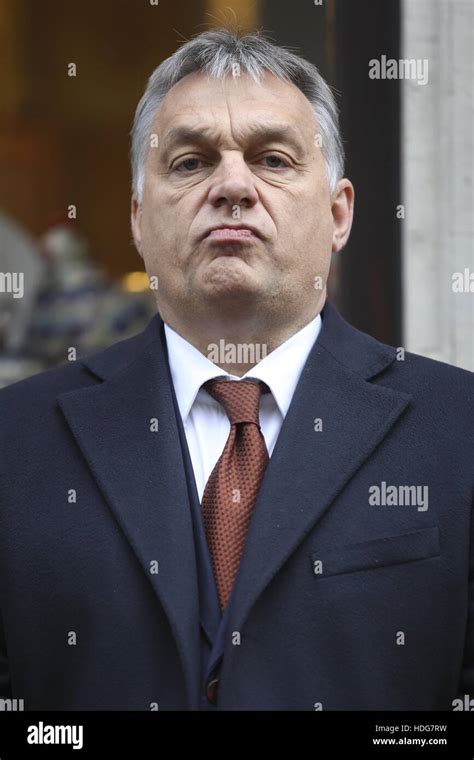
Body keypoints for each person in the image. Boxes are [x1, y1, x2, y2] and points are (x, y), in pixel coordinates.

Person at [0, 28, 472, 711]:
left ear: (339, 213)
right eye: (190, 163)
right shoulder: (16, 439)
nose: (232, 186)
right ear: (138, 217)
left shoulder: (459, 430)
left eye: (272, 159)